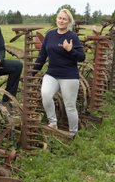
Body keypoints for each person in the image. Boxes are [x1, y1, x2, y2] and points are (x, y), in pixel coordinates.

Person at [33, 9, 85, 137]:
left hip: (69, 76)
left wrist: (70, 50)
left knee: (70, 106)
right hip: (52, 74)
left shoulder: (72, 37)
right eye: (59, 18)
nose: (61, 21)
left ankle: (73, 133)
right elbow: (42, 55)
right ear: (56, 19)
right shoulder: (50, 35)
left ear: (68, 22)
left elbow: (81, 57)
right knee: (45, 94)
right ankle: (53, 123)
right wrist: (33, 72)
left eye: (64, 19)